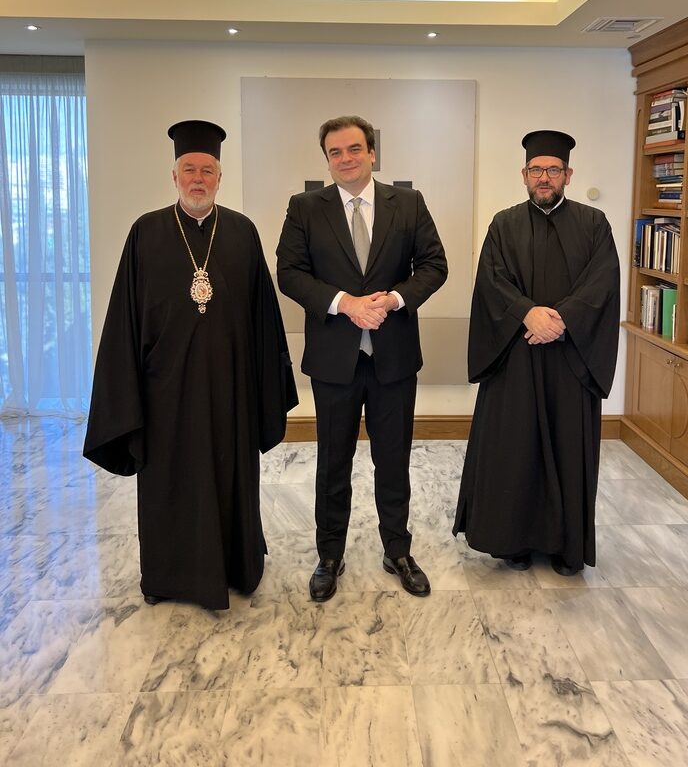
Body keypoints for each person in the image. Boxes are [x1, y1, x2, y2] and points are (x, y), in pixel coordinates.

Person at [83, 119, 297, 609]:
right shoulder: (145, 232)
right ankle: (169, 576)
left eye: (207, 171)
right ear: (174, 175)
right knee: (169, 481)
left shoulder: (242, 231)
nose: (197, 179)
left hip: (230, 389)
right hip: (164, 393)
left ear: (220, 178)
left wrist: (265, 388)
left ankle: (237, 567)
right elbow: (125, 319)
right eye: (189, 170)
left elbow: (264, 318)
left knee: (229, 477)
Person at [276, 115, 447, 601]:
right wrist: (344, 303)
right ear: (326, 159)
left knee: (393, 460)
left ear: (372, 153)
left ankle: (398, 551)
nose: (345, 158)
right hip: (335, 361)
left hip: (394, 357)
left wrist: (393, 299)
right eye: (335, 152)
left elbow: (434, 265)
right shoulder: (305, 208)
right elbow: (290, 272)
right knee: (333, 463)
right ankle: (329, 555)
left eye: (354, 149)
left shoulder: (408, 204)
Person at [453, 130, 620, 575]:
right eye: (536, 170)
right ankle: (515, 542)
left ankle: (566, 549)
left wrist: (561, 320)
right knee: (514, 451)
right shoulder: (503, 224)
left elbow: (602, 282)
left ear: (568, 174)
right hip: (516, 356)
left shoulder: (594, 223)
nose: (544, 177)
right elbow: (491, 281)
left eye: (553, 170)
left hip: (570, 360)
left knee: (568, 449)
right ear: (523, 175)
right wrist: (527, 314)